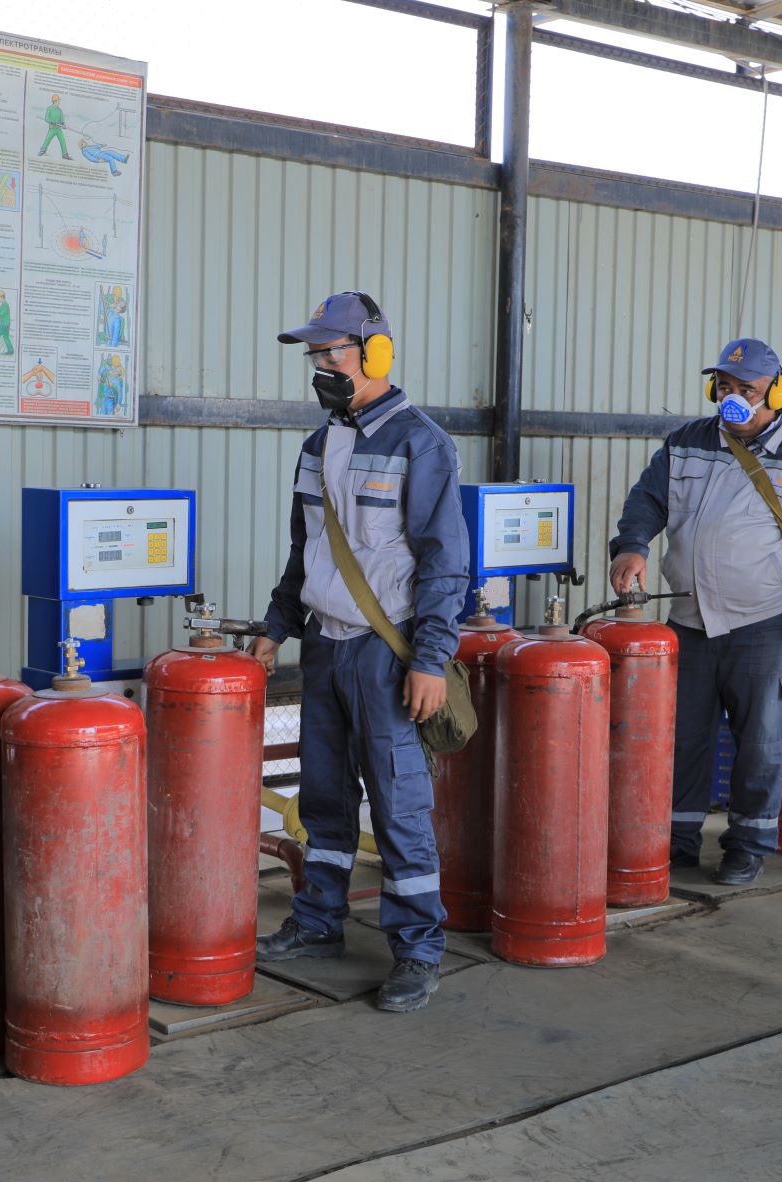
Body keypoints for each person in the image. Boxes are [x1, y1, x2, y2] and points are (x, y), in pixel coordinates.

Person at [248, 292, 469, 1013]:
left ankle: (418, 950)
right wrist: (276, 626)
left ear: (375, 354)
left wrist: (429, 660)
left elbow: (445, 563)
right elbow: (305, 550)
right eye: (315, 354)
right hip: (323, 646)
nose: (320, 365)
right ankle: (318, 922)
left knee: (399, 807)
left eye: (331, 352)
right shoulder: (318, 445)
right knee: (324, 796)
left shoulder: (419, 443)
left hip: (386, 653)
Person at [610, 338, 782, 886]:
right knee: (681, 740)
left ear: (777, 391)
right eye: (724, 385)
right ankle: (676, 841)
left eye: (747, 388)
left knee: (761, 745)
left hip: (765, 623)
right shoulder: (686, 442)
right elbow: (648, 499)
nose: (732, 397)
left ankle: (748, 845)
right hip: (688, 622)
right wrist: (632, 545)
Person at [38, 95, 71, 159]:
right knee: (47, 139)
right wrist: (51, 121)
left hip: (58, 129)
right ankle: (42, 150)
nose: (59, 102)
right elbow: (47, 118)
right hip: (52, 128)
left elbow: (61, 119)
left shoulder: (59, 110)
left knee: (62, 140)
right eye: (58, 101)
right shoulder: (50, 109)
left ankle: (65, 154)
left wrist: (63, 124)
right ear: (55, 101)